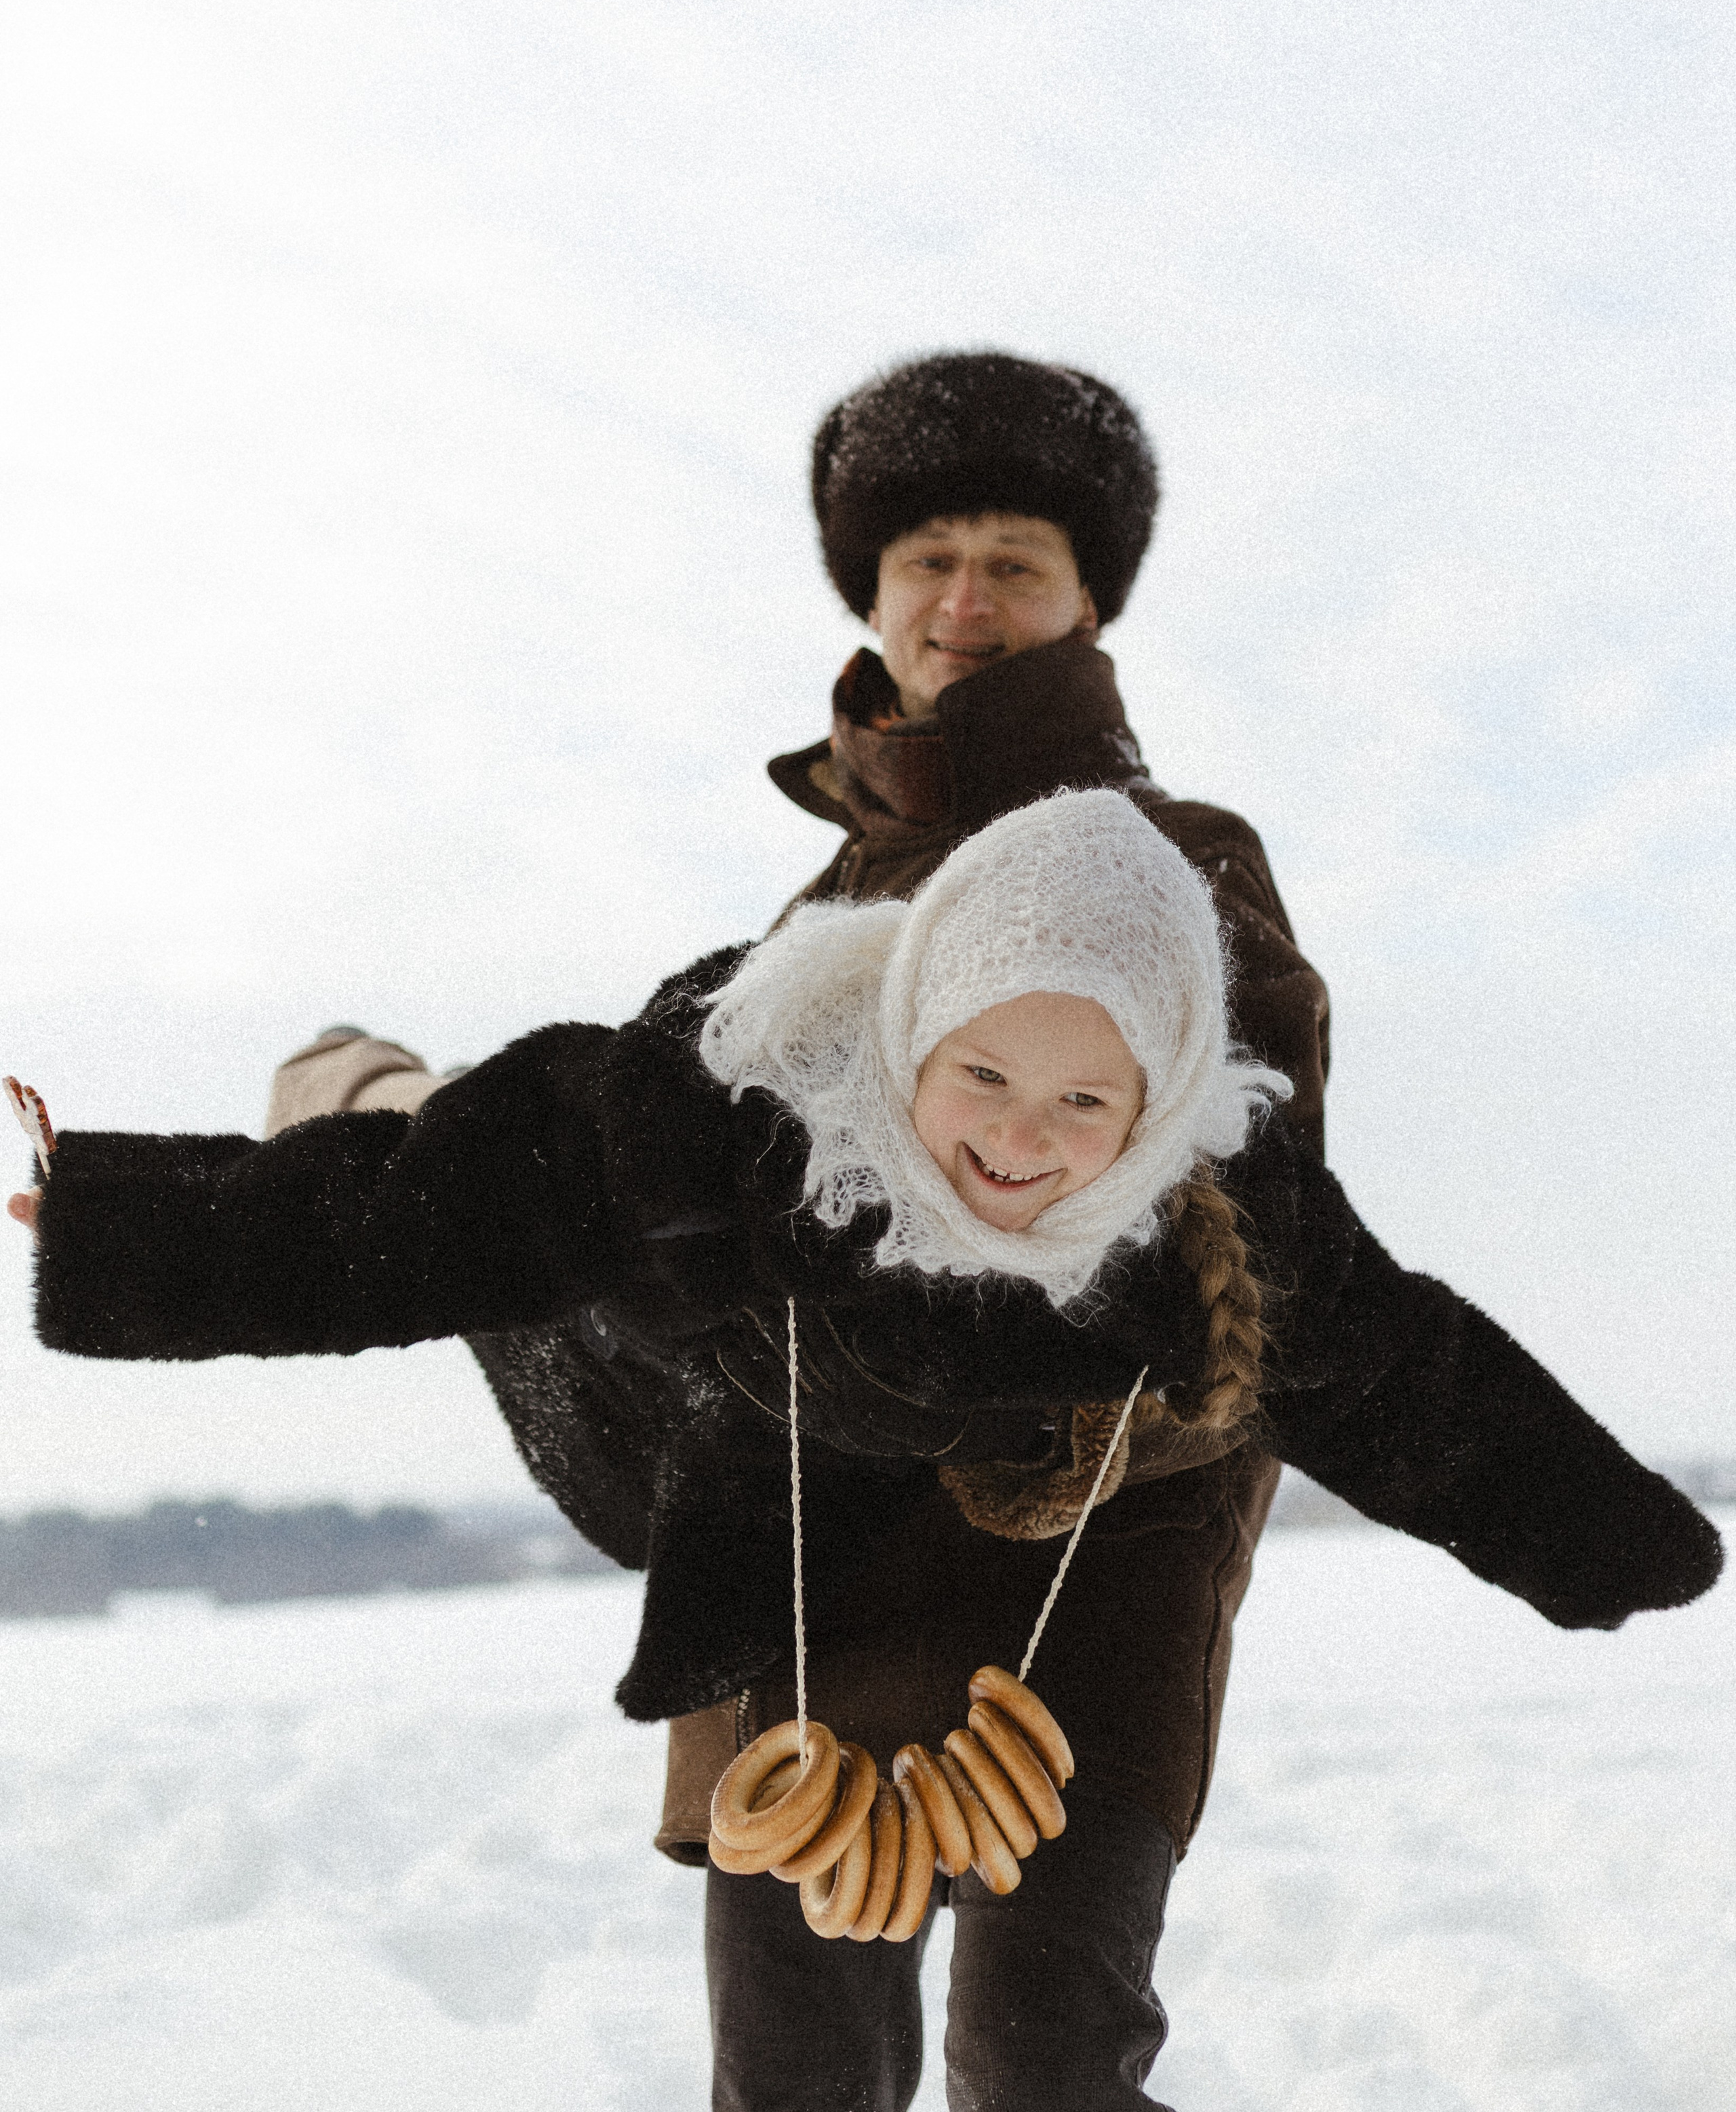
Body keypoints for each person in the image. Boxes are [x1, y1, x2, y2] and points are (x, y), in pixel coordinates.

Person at [9, 791, 1722, 2111]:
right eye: (980, 1073)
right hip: (699, 1414)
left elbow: (1413, 1378)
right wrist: (107, 1217)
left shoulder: (1226, 1216)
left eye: (1083, 1105)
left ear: (1163, 1098)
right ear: (913, 1032)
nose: (1017, 1143)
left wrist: (1618, 1543)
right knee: (465, 1200)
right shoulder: (716, 1112)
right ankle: (367, 1074)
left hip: (987, 1502)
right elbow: (426, 1216)